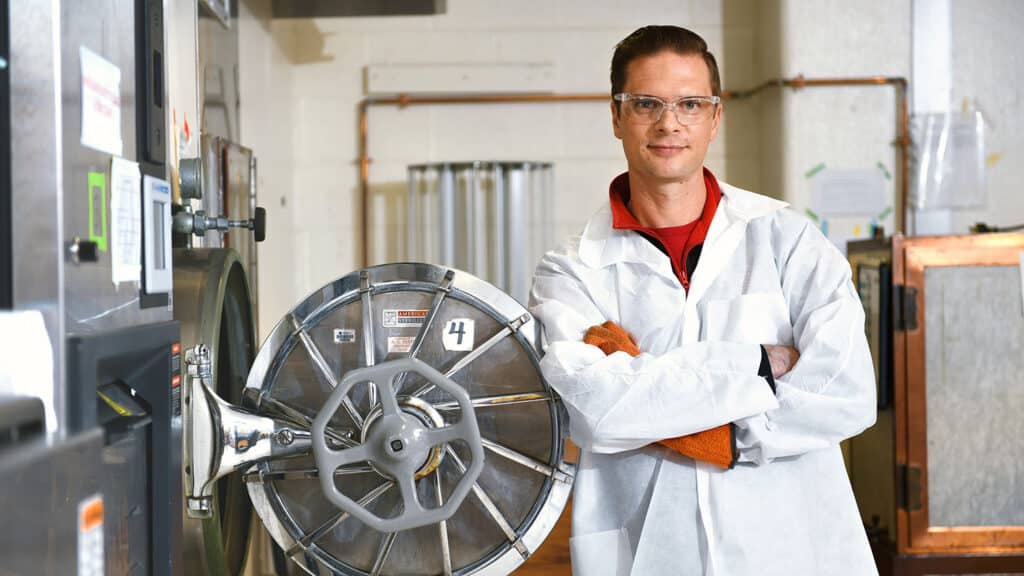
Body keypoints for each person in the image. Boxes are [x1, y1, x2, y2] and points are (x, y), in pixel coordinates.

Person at [529, 25, 877, 576]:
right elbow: (595, 411)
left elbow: (847, 390)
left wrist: (726, 439)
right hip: (650, 551)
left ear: (715, 117)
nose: (669, 122)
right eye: (646, 103)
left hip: (790, 546)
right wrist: (761, 363)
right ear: (617, 116)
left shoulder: (786, 240)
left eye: (690, 103)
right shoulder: (572, 269)